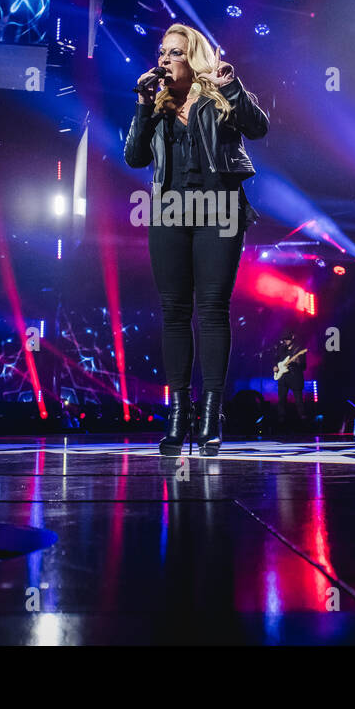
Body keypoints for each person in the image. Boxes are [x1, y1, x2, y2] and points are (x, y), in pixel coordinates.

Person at [125, 24, 269, 456]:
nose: (166, 60)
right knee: (173, 311)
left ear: (193, 58)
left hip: (219, 209)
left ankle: (210, 415)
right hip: (169, 211)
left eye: (175, 53)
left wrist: (234, 86)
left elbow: (258, 128)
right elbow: (135, 158)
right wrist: (144, 106)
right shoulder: (157, 103)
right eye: (163, 52)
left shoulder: (220, 95)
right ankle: (177, 414)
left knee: (211, 310)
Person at [272, 331, 307, 427]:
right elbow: (277, 359)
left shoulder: (299, 349)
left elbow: (304, 366)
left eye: (287, 339)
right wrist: (275, 366)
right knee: (281, 399)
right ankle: (281, 420)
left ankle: (302, 420)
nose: (286, 341)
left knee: (298, 400)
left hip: (295, 377)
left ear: (292, 337)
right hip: (283, 377)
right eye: (284, 339)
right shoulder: (281, 348)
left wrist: (298, 362)